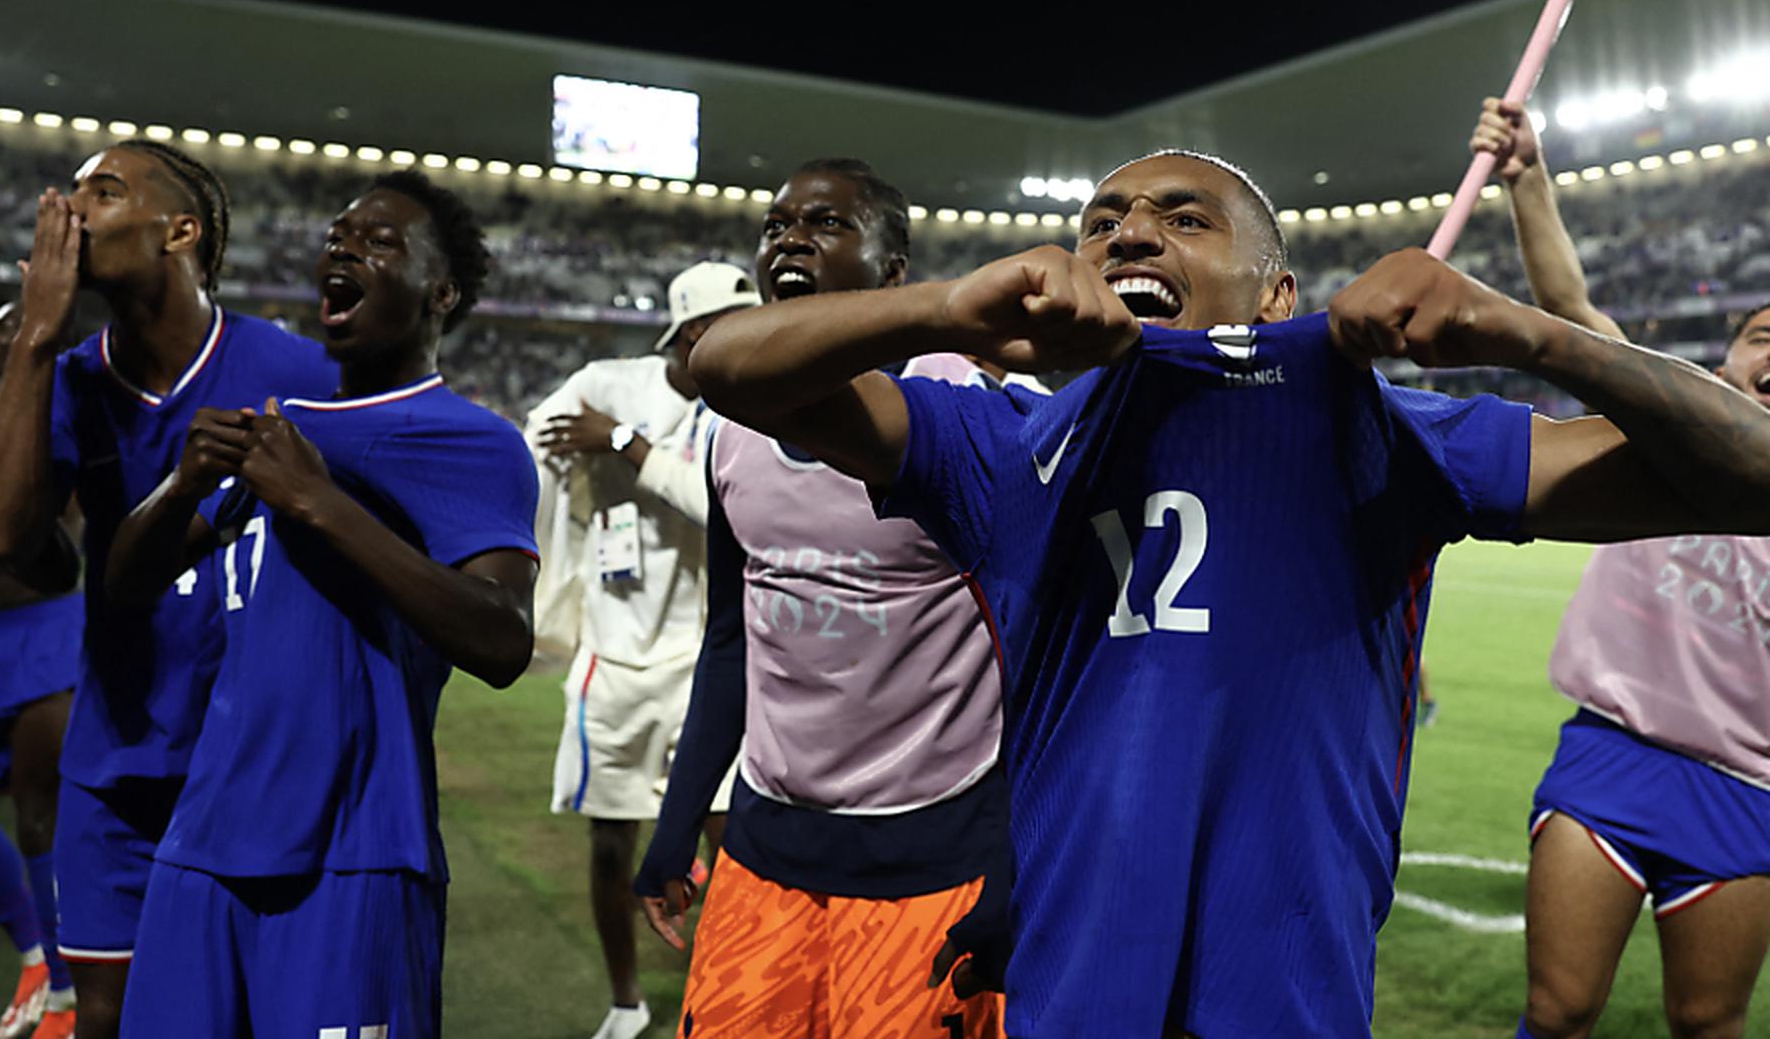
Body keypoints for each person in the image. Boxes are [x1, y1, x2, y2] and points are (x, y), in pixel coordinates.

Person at [685, 147, 1770, 1038]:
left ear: (1279, 294)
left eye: (1184, 218)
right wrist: (945, 313)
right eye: (1102, 220)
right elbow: (722, 366)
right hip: (1067, 1002)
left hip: (1288, 1004)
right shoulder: (996, 444)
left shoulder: (1382, 435)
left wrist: (1523, 333)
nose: (1131, 231)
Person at [102, 169, 538, 1036]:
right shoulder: (276, 427)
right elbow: (123, 587)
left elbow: (502, 640)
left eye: (380, 241)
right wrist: (182, 487)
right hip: (203, 848)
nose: (344, 248)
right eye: (339, 237)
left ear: (440, 293)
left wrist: (320, 505)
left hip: (356, 855)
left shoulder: (472, 442)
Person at [633, 158, 1007, 1039]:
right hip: (766, 851)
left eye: (827, 223)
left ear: (892, 276)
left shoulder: (969, 409)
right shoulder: (730, 430)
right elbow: (735, 638)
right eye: (777, 225)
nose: (791, 237)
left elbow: (1033, 660)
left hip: (931, 855)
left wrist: (1011, 867)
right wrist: (679, 818)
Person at [0, 141, 337, 1038]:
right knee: (111, 1020)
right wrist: (37, 345)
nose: (71, 209)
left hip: (263, 763)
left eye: (104, 191)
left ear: (181, 230)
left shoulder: (301, 375)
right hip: (119, 756)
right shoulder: (71, 376)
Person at [1475, 97, 1770, 1039]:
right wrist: (1527, 177)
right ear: (1725, 359)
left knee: (1709, 1025)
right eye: (1763, 333)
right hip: (1615, 751)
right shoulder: (1667, 429)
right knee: (1558, 1013)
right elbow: (1571, 311)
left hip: (1748, 786)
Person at [527, 260, 757, 1039]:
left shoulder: (745, 409)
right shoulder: (605, 381)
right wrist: (576, 455)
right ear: (694, 335)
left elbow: (713, 501)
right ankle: (626, 1001)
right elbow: (537, 442)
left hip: (703, 657)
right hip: (613, 654)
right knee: (606, 844)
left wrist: (621, 445)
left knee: (733, 844)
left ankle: (728, 990)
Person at [0, 303, 79, 1039]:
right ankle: (38, 955)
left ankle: (69, 997)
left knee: (43, 819)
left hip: (45, 628)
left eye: (6, 326)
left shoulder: (60, 400)